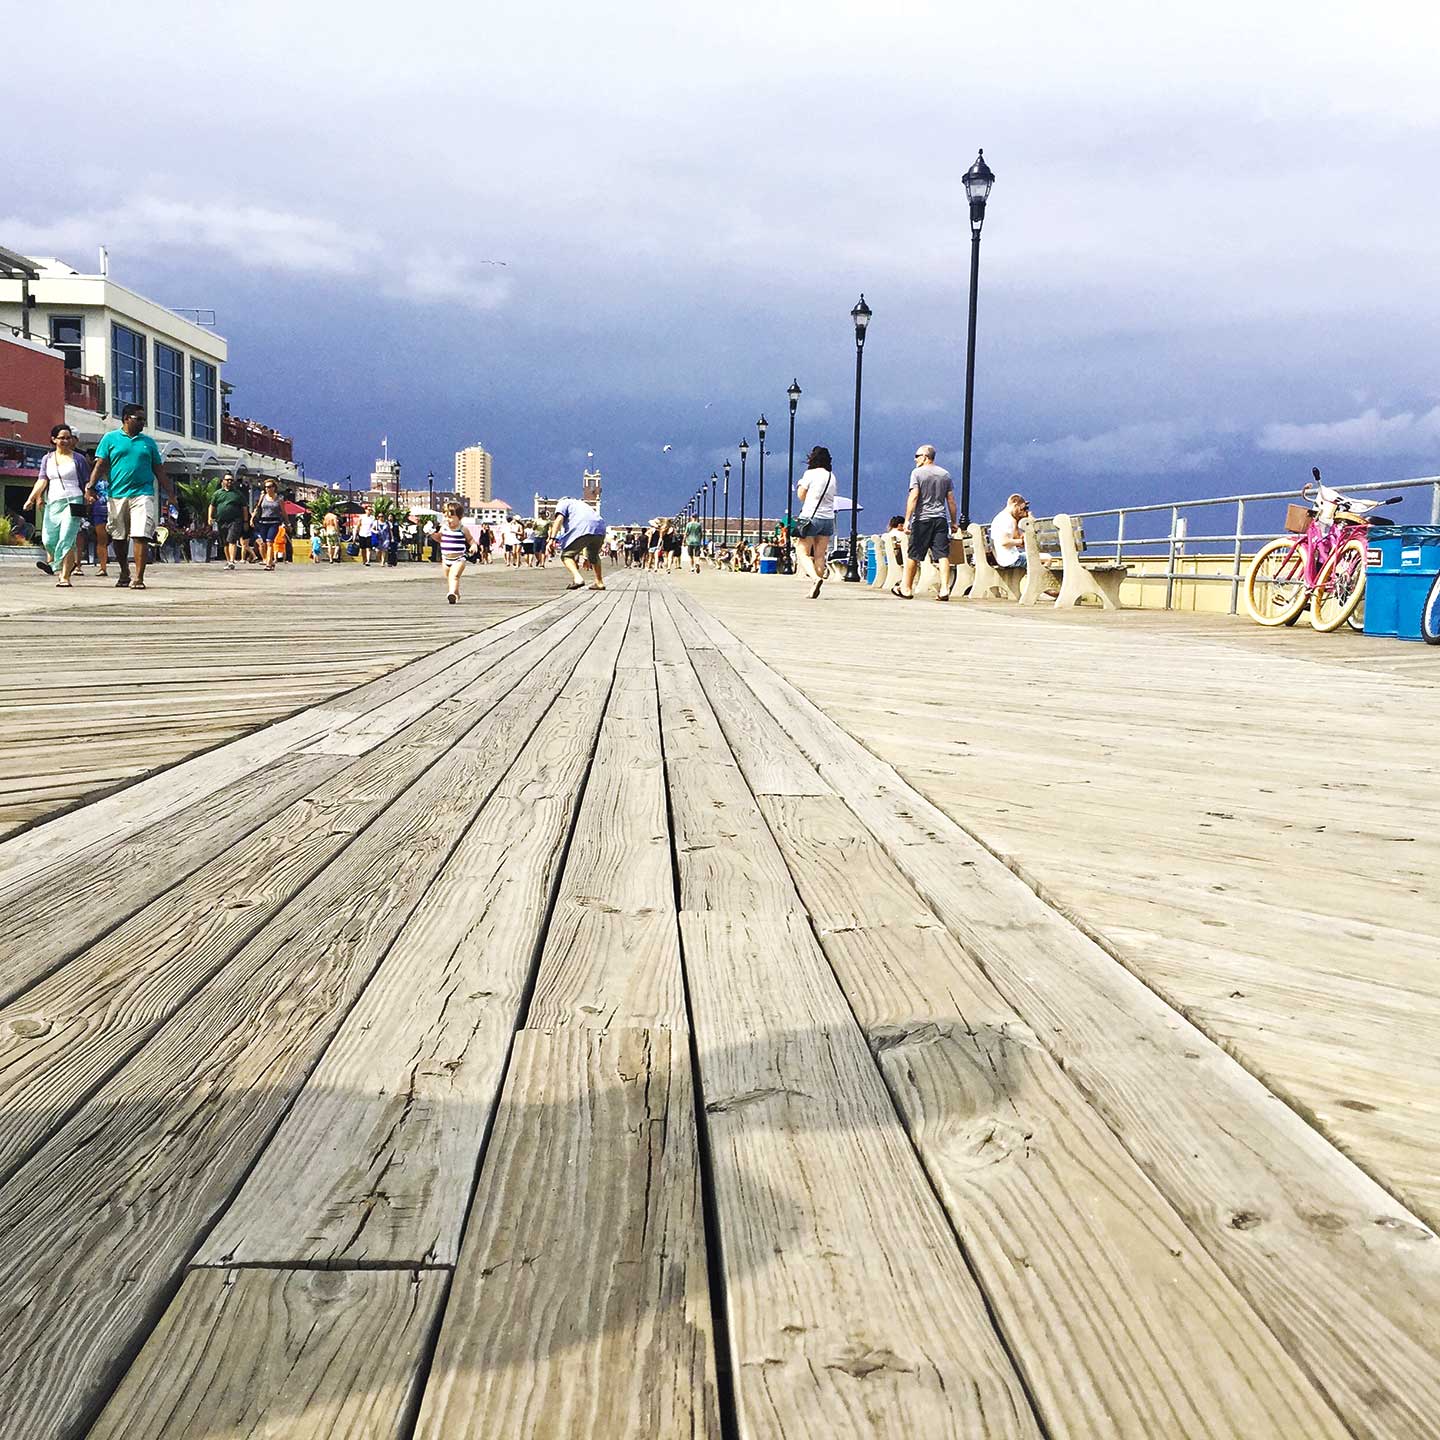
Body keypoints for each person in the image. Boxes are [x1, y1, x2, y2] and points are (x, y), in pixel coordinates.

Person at [86, 403, 167, 590]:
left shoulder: (148, 442)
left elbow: (159, 470)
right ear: (126, 418)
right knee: (119, 537)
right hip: (117, 495)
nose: (142, 423)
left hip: (143, 494)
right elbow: (100, 465)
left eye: (143, 420)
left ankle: (138, 577)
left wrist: (170, 493)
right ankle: (124, 571)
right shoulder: (110, 438)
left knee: (141, 534)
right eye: (138, 419)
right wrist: (90, 487)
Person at [24, 424, 90, 586]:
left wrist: (89, 495)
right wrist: (31, 498)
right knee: (48, 540)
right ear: (54, 439)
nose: (66, 441)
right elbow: (42, 480)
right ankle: (61, 563)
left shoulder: (78, 459)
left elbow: (87, 482)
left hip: (73, 501)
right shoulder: (47, 458)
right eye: (62, 438)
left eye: (68, 438)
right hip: (53, 502)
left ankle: (64, 576)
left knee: (67, 537)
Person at [899, 444, 957, 600]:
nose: (915, 459)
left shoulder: (917, 473)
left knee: (914, 554)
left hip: (922, 519)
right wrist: (953, 521)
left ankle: (906, 588)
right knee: (942, 554)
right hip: (940, 519)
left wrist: (907, 520)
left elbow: (914, 497)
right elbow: (950, 500)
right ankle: (945, 589)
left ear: (925, 456)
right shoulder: (945, 474)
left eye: (917, 456)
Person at [794, 445, 838, 598]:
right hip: (828, 519)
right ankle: (814, 588)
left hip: (810, 517)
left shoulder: (810, 473)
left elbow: (801, 495)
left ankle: (815, 578)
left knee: (802, 551)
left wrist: (802, 487)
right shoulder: (831, 476)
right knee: (820, 555)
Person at [550, 492, 607, 591]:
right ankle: (599, 582)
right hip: (600, 527)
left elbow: (559, 520)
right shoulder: (581, 504)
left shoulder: (562, 503)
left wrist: (552, 538)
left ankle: (578, 578)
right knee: (593, 555)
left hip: (583, 527)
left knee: (566, 555)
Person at [208, 474, 249, 571]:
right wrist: (209, 517)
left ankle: (232, 560)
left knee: (232, 540)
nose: (229, 482)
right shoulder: (217, 493)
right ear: (223, 481)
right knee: (225, 542)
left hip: (235, 520)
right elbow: (212, 506)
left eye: (231, 480)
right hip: (221, 521)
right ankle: (228, 561)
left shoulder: (238, 494)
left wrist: (246, 521)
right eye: (227, 480)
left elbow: (244, 508)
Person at [436, 500, 469, 603]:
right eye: (445, 517)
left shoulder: (463, 529)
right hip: (445, 558)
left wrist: (473, 546)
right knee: (450, 578)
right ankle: (456, 593)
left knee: (454, 576)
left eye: (450, 517)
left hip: (459, 558)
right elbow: (439, 538)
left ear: (459, 518)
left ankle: (451, 593)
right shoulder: (444, 528)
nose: (447, 520)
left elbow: (471, 539)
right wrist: (431, 533)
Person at [252, 480, 285, 571]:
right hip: (263, 523)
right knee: (263, 543)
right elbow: (257, 508)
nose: (267, 489)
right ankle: (267, 560)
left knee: (270, 542)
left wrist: (287, 523)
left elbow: (283, 512)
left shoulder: (279, 499)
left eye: (270, 487)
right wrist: (252, 519)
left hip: (274, 523)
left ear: (274, 488)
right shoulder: (263, 497)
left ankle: (268, 564)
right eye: (266, 487)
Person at [991, 493, 1029, 569]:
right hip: (1010, 559)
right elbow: (1005, 542)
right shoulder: (1005, 519)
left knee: (1038, 558)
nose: (1022, 512)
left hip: (1005, 558)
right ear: (1015, 503)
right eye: (1022, 509)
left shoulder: (1004, 517)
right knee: (1047, 558)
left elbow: (1015, 539)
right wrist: (1022, 541)